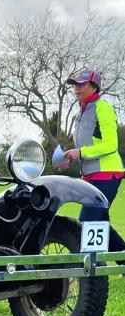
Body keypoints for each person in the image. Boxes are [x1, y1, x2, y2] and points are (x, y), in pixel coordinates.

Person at [64, 69, 125, 255]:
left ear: (94, 86)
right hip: (92, 177)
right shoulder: (81, 112)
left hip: (107, 174)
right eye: (74, 84)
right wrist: (71, 158)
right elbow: (89, 145)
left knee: (88, 221)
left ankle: (94, 267)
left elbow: (111, 144)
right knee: (98, 223)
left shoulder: (102, 107)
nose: (76, 88)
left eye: (81, 84)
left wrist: (81, 152)